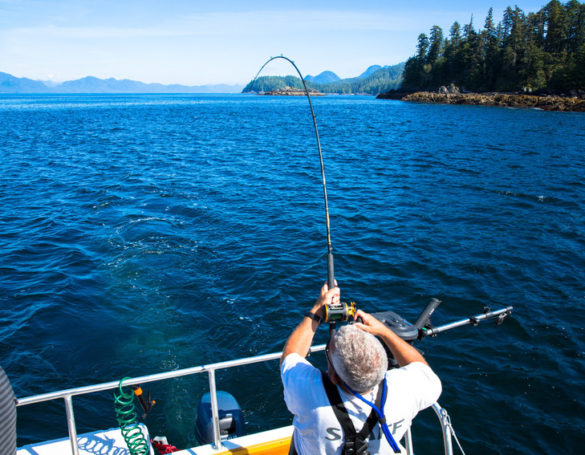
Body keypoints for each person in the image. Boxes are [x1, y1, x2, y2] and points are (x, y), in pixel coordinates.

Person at [280, 283, 441, 454]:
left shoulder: (308, 394)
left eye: (329, 351)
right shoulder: (405, 390)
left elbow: (291, 356)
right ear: (382, 365)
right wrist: (384, 332)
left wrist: (317, 311)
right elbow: (420, 367)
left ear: (334, 376)